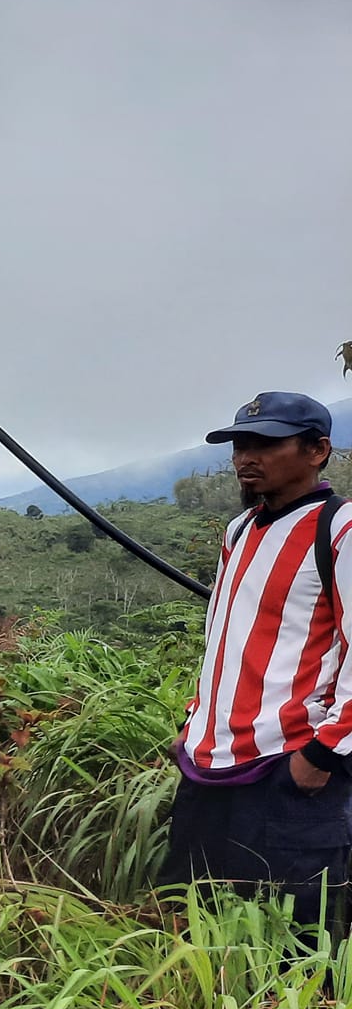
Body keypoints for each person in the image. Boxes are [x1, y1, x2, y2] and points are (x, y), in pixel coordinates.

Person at [162, 392, 352, 933]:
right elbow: (223, 638)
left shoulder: (338, 529)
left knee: (296, 945)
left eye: (267, 444)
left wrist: (322, 755)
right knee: (192, 926)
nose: (248, 456)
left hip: (289, 769)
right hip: (209, 764)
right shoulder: (240, 531)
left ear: (318, 450)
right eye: (241, 444)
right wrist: (194, 721)